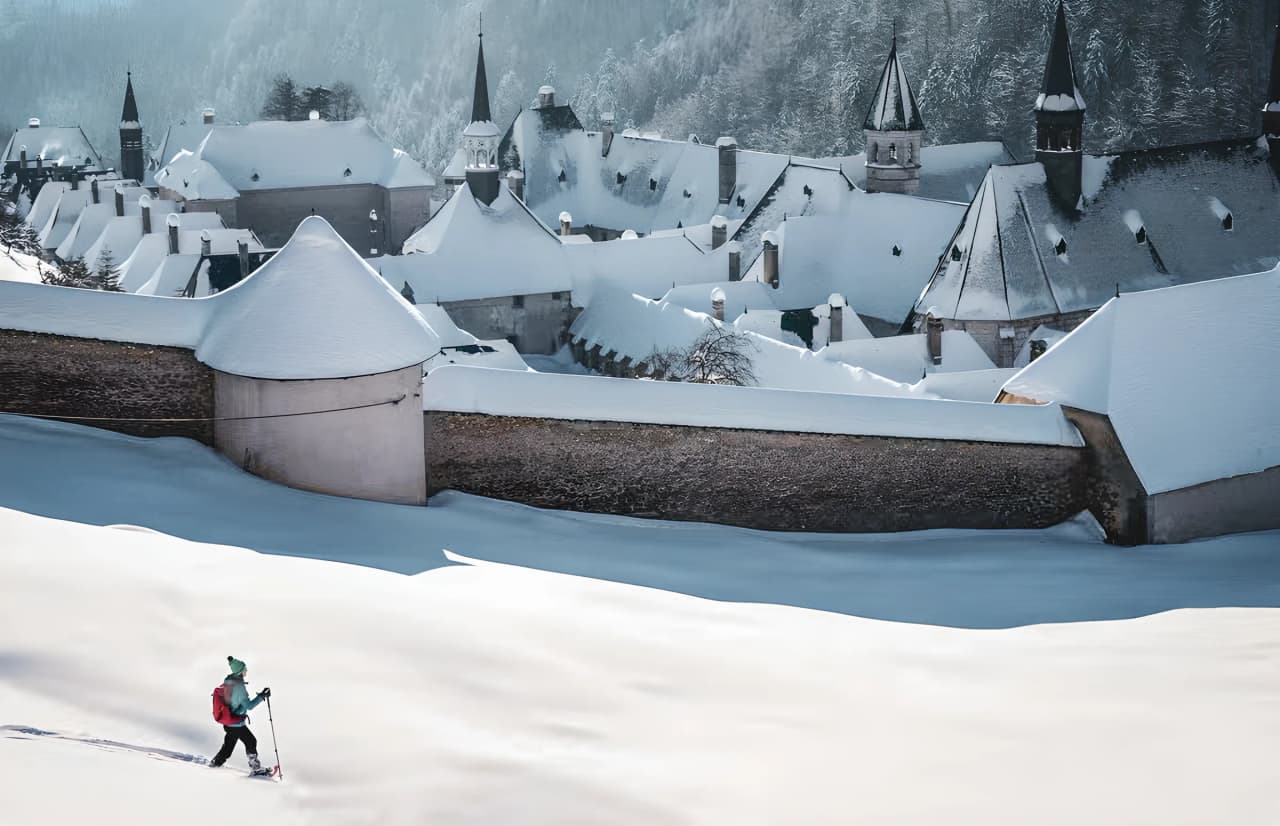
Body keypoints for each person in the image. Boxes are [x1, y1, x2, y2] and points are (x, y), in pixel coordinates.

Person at [209, 655, 272, 774]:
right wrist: (262, 697)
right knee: (251, 741)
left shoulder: (229, 681)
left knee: (228, 747)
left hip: (229, 721)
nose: (246, 671)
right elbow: (249, 706)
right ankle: (256, 768)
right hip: (236, 723)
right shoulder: (239, 687)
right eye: (244, 669)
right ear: (240, 672)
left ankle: (215, 763)